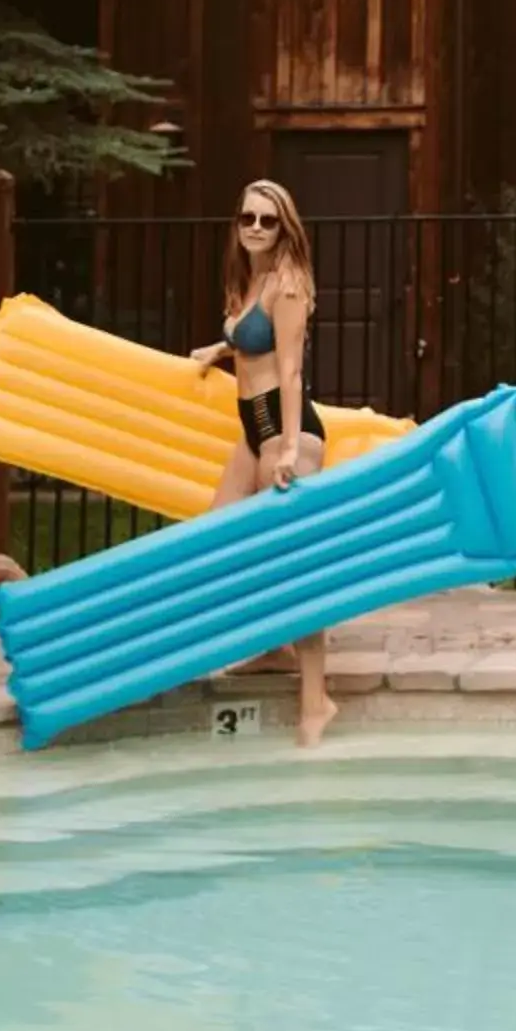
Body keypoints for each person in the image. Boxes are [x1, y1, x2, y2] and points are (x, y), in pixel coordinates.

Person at [188, 180, 337, 747]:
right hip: (254, 428)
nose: (254, 228)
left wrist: (293, 448)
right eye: (247, 217)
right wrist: (217, 348)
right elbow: (253, 340)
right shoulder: (251, 278)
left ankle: (316, 701)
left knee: (294, 564)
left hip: (284, 428)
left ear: (285, 227)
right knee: (217, 540)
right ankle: (274, 648)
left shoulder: (290, 284)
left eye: (267, 221)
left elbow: (292, 369)